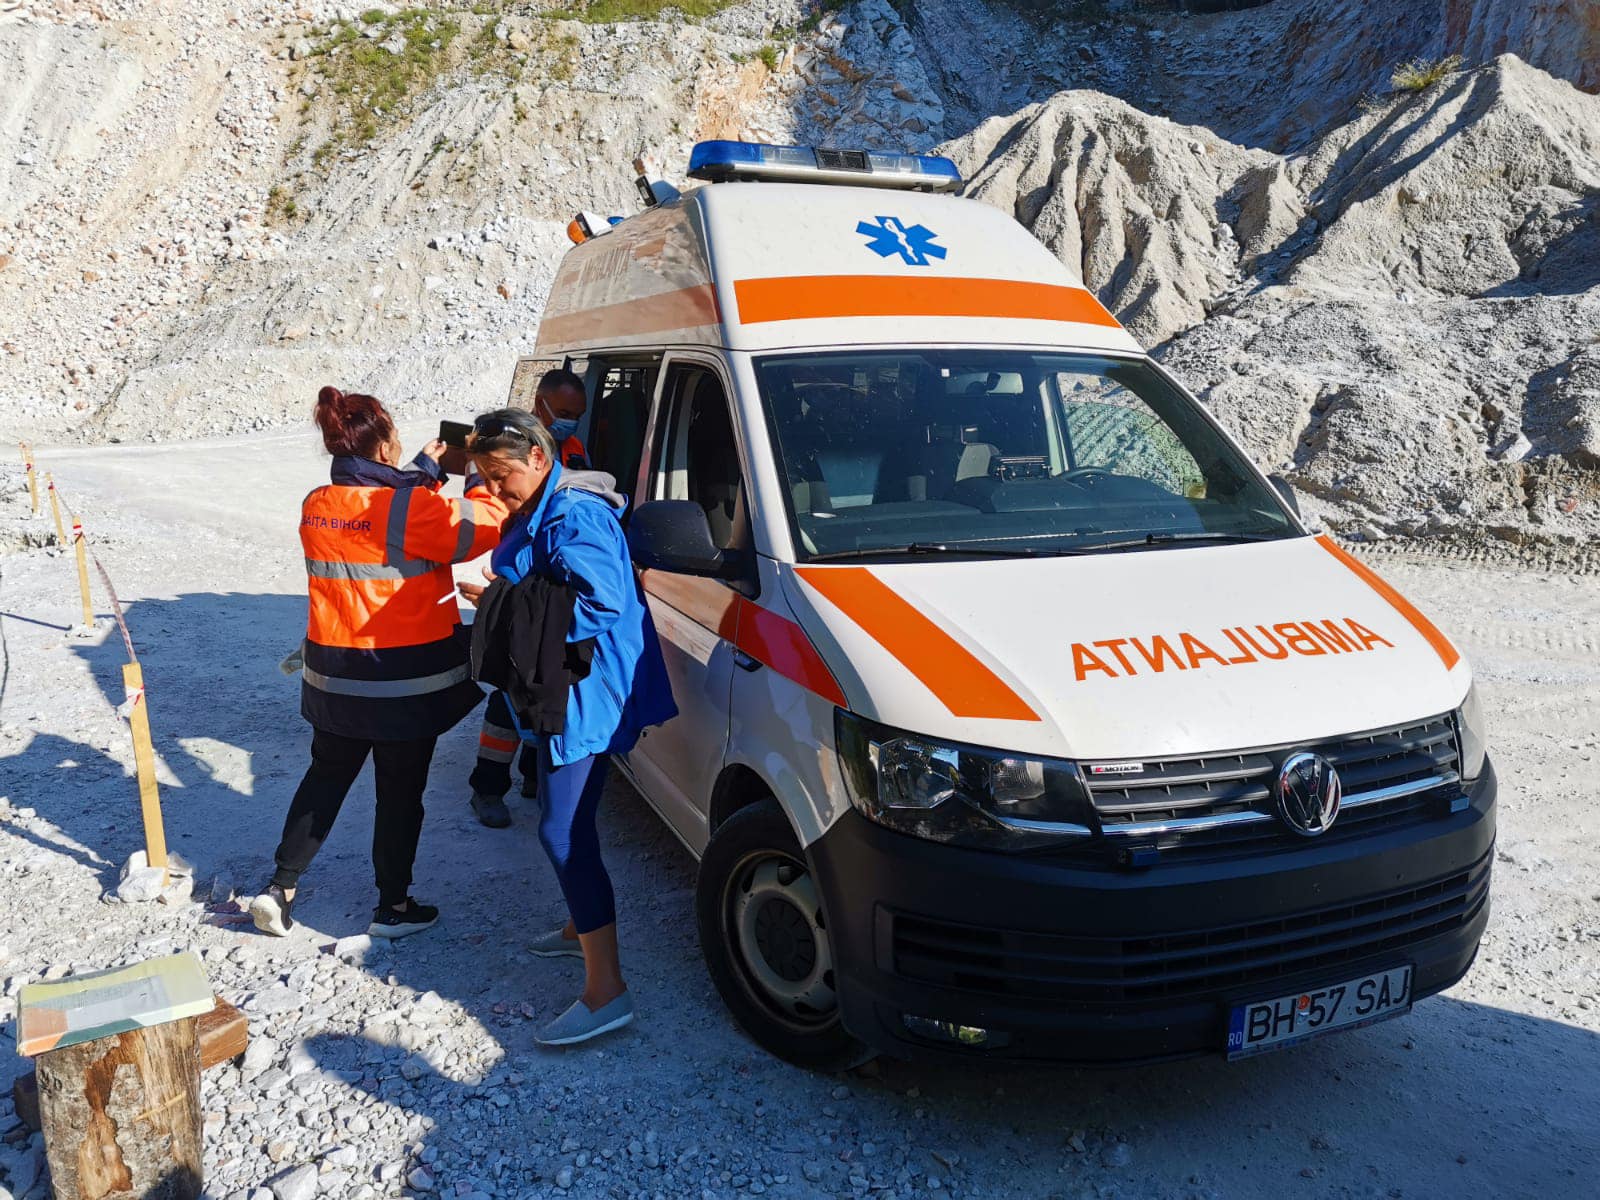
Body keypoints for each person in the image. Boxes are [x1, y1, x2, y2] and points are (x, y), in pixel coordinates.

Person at [250, 386, 509, 940]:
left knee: (325, 778)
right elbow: (484, 524)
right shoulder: (410, 509)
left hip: (334, 680)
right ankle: (393, 906)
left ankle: (280, 886)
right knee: (399, 795)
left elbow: (380, 516)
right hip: (402, 686)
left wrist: (422, 472)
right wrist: (477, 471)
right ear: (387, 444)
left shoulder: (318, 504)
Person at [462, 407, 675, 1045]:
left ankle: (607, 992)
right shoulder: (542, 503)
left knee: (561, 831)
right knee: (572, 824)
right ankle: (580, 926)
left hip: (583, 694)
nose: (493, 490)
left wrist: (500, 605)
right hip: (567, 685)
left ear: (538, 456)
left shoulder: (575, 515)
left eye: (500, 476)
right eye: (483, 479)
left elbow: (602, 602)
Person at [467, 368, 592, 828]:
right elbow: (487, 504)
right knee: (507, 699)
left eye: (577, 414)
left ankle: (533, 777)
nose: (570, 421)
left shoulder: (572, 450)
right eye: (563, 412)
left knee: (539, 693)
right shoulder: (500, 448)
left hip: (538, 588)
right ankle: (488, 787)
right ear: (540, 404)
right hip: (515, 572)